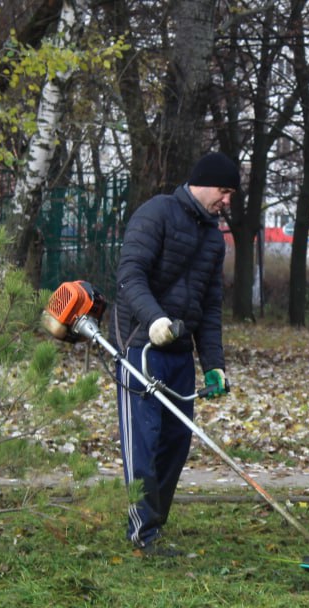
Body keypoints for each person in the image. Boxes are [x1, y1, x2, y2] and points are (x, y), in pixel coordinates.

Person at [112, 151, 238, 556]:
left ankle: (154, 523)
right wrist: (153, 320)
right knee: (143, 444)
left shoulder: (213, 239)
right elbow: (130, 275)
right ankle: (142, 534)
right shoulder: (156, 214)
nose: (227, 201)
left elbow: (211, 307)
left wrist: (214, 365)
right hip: (141, 346)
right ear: (203, 183)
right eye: (224, 191)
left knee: (175, 442)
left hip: (180, 353)